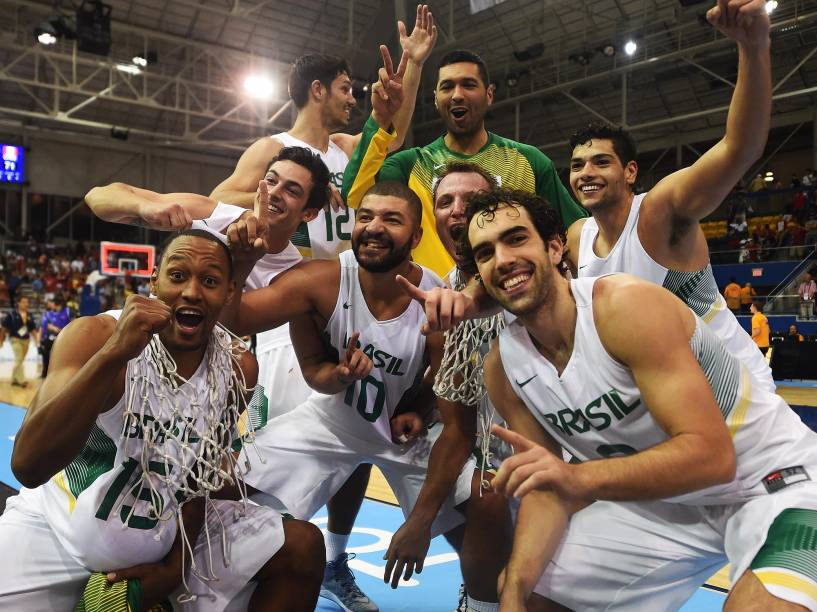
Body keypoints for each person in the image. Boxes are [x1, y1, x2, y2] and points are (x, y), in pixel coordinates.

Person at [459, 188, 817, 611]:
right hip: (662, 504)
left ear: (555, 247)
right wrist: (515, 586)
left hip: (771, 481)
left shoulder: (624, 307)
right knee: (531, 596)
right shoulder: (504, 367)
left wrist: (576, 478)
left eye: (516, 238)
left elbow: (711, 457)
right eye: (485, 253)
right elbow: (548, 487)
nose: (502, 259)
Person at [86, 146, 381, 610]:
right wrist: (147, 206)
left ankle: (176, 577)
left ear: (309, 211)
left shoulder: (296, 276)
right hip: (143, 371)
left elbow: (233, 325)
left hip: (210, 391)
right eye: (271, 179)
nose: (273, 192)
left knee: (211, 488)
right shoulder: (215, 215)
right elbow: (101, 195)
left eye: (292, 189)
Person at [224, 181, 512, 612]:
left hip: (402, 439)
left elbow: (456, 423)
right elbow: (237, 319)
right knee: (229, 487)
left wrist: (419, 522)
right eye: (366, 217)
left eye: (391, 219)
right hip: (331, 421)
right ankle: (236, 590)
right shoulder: (320, 280)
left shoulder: (435, 302)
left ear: (416, 238)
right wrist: (242, 263)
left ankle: (481, 605)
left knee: (484, 507)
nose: (374, 227)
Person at [0, 230, 324, 611]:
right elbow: (27, 465)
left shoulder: (238, 368)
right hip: (56, 532)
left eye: (210, 281)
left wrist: (176, 567)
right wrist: (112, 355)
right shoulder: (93, 335)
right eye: (177, 276)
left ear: (229, 292)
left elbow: (197, 481)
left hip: (169, 538)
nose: (191, 292)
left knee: (303, 547)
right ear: (153, 280)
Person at [562, 0, 775, 392]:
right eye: (577, 166)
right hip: (666, 401)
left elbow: (740, 147)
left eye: (600, 162)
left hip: (735, 391)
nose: (586, 173)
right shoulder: (578, 238)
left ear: (630, 172)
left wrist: (754, 46)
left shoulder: (659, 210)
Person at [209, 5, 438, 261]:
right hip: (290, 277)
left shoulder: (345, 147)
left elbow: (392, 134)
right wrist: (296, 194)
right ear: (318, 90)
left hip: (344, 283)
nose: (352, 101)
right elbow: (219, 198)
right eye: (345, 89)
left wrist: (415, 64)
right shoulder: (273, 148)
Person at [342, 49, 588, 277]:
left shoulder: (528, 160)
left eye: (468, 85)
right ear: (436, 98)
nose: (457, 95)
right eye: (447, 87)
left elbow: (576, 229)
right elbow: (354, 195)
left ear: (489, 94)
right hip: (435, 306)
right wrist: (380, 118)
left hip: (512, 303)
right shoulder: (410, 163)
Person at [2, 296, 38, 387]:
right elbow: (4, 328)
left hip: (26, 340)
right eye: (24, 302)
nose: (26, 304)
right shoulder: (11, 314)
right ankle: (22, 380)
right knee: (19, 358)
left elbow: (33, 329)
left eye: (27, 302)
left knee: (20, 360)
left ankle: (14, 379)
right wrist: (1, 339)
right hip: (15, 339)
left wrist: (36, 339)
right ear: (18, 303)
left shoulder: (30, 315)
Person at [39, 295, 72, 378]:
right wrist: (41, 340)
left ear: (57, 304)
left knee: (61, 357)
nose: (51, 305)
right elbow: (42, 327)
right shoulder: (48, 314)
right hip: (48, 339)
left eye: (52, 303)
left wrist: (57, 329)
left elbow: (72, 325)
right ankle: (45, 373)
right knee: (46, 356)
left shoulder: (67, 312)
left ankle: (60, 374)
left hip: (63, 339)